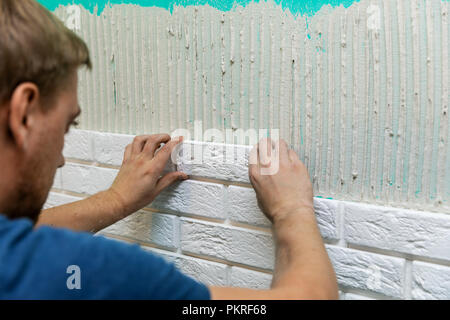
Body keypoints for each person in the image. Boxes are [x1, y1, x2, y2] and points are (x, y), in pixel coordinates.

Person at [0, 0, 338, 299]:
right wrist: (292, 210)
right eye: (66, 126)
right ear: (24, 112)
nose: (61, 158)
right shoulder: (99, 274)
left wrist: (115, 200)